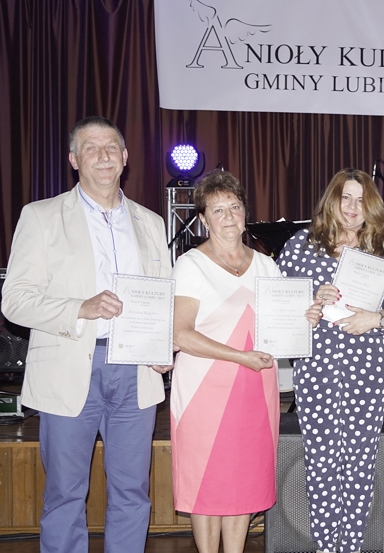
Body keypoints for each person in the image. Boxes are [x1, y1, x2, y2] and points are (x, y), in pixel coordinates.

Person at [0, 116, 172, 553]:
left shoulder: (151, 222)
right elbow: (14, 300)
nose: (103, 156)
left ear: (125, 157)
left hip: (135, 371)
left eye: (111, 147)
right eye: (91, 148)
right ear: (74, 160)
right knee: (65, 494)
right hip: (69, 366)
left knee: (133, 492)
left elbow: (164, 297)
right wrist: (81, 307)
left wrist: (164, 342)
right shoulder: (40, 216)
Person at [170, 169, 321, 553]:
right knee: (207, 483)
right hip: (204, 391)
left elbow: (280, 325)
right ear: (203, 219)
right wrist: (240, 357)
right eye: (217, 209)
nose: (228, 216)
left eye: (234, 207)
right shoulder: (190, 265)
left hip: (256, 388)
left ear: (245, 212)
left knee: (244, 481)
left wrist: (306, 317)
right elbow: (180, 335)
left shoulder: (267, 265)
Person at [277, 168, 384, 553]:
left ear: (371, 206)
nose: (352, 207)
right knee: (321, 463)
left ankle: (351, 546)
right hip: (317, 368)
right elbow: (279, 305)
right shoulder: (301, 246)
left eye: (360, 200)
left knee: (359, 464)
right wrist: (310, 302)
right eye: (345, 197)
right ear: (331, 200)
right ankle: (326, 547)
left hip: (368, 368)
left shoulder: (383, 251)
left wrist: (376, 319)